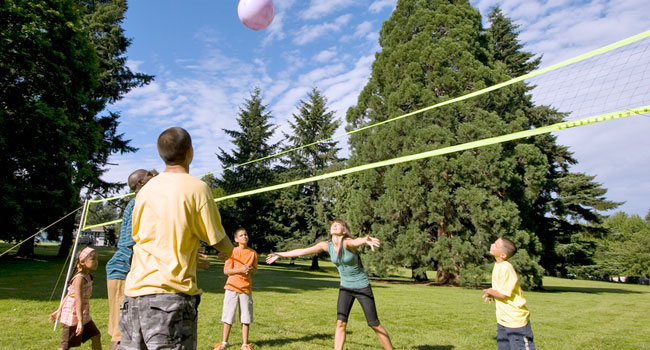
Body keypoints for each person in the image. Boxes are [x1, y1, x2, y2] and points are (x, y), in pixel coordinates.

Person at [120, 126, 234, 350]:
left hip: (133, 297)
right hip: (169, 299)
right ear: (190, 151)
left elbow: (145, 238)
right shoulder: (197, 188)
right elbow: (217, 238)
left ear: (160, 154)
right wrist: (232, 253)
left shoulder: (145, 191)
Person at [266, 219, 393, 350]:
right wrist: (279, 254)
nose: (334, 225)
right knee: (340, 323)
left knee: (373, 324)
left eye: (339, 225)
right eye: (333, 224)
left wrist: (365, 240)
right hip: (346, 288)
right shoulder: (326, 245)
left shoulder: (347, 243)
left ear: (344, 231)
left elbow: (356, 241)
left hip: (362, 287)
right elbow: (302, 251)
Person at [105, 169, 154, 350]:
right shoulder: (138, 203)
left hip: (131, 269)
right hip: (122, 269)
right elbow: (131, 241)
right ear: (141, 183)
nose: (154, 175)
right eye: (149, 174)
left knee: (134, 331)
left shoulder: (142, 202)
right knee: (121, 334)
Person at [482, 237, 536, 350]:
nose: (492, 244)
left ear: (503, 255)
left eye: (496, 245)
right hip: (503, 320)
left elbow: (503, 294)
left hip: (516, 322)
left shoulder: (506, 267)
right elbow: (501, 288)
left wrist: (490, 291)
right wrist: (492, 293)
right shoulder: (498, 265)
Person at [50, 247, 102, 350]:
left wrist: (58, 310)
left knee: (96, 336)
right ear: (82, 261)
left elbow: (69, 294)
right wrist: (79, 321)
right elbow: (77, 300)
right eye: (93, 259)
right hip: (73, 316)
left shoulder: (86, 275)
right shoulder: (79, 278)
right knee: (65, 346)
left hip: (83, 315)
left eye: (97, 259)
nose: (96, 262)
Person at [214, 228, 258, 350]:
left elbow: (255, 270)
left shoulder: (253, 253)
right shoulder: (231, 252)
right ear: (236, 239)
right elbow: (226, 271)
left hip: (246, 289)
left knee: (246, 317)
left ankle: (245, 344)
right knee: (228, 315)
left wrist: (251, 270)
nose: (244, 237)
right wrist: (240, 270)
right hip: (231, 287)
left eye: (246, 234)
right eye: (241, 235)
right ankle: (224, 342)